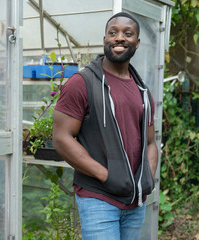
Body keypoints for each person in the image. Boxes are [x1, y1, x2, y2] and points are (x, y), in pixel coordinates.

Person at [52, 12, 158, 240]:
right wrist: (106, 176)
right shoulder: (82, 83)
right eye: (113, 33)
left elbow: (150, 142)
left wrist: (146, 178)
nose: (120, 38)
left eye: (127, 34)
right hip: (98, 198)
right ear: (105, 40)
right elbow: (61, 138)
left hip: (135, 203)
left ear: (137, 43)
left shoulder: (143, 92)